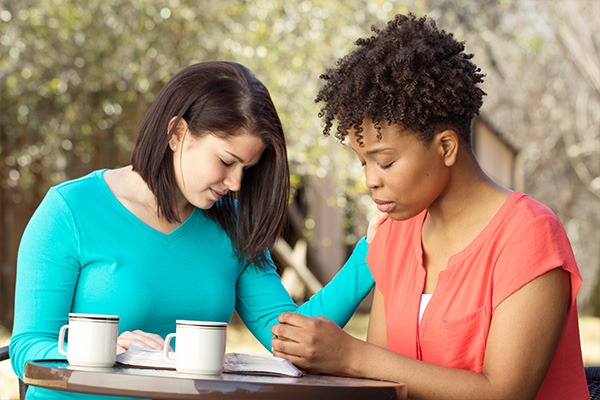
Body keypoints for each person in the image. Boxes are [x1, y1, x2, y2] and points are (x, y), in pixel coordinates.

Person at [10, 61, 377, 400]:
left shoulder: (234, 224)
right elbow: (27, 347)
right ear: (177, 133)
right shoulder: (70, 210)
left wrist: (371, 252)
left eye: (246, 169)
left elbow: (292, 340)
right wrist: (105, 349)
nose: (235, 183)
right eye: (226, 161)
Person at [270, 14, 589, 399]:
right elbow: (384, 386)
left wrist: (351, 356)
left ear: (446, 147)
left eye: (385, 162)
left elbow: (505, 393)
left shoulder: (529, 235)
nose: (371, 179)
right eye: (363, 163)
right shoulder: (394, 233)